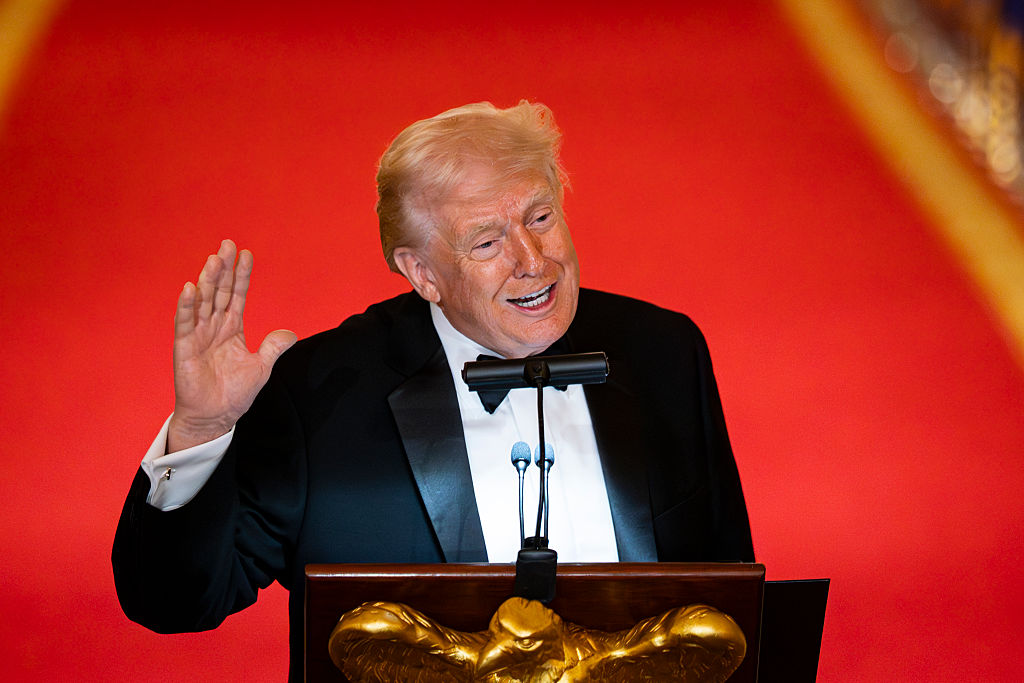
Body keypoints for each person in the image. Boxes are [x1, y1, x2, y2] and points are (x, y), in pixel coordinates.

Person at [112, 101, 753, 679]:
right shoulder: (322, 393)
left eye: (540, 217)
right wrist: (201, 431)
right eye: (487, 242)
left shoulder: (664, 351)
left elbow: (732, 603)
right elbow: (175, 603)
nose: (533, 261)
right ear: (422, 273)